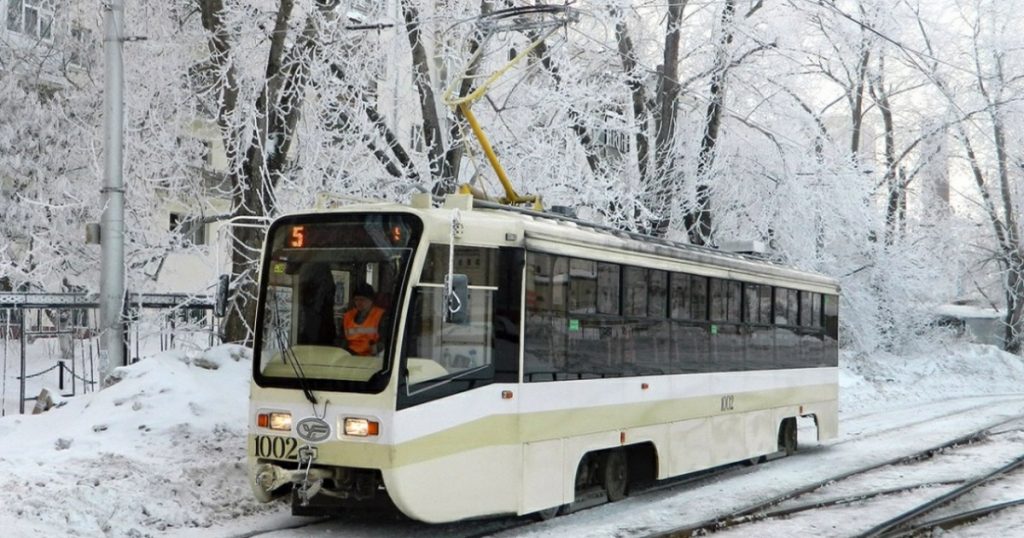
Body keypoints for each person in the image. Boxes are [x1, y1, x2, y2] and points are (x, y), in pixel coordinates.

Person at [341, 282, 386, 355]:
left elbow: (385, 341)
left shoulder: (381, 316)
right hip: (349, 356)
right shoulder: (348, 316)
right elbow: (342, 340)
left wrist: (376, 349)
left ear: (371, 300)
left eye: (362, 299)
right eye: (356, 299)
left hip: (372, 358)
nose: (359, 303)